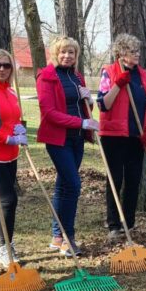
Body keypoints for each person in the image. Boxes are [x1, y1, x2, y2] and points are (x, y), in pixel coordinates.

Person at [36, 36, 97, 256]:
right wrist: (81, 122)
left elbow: (83, 107)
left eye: (71, 52)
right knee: (73, 184)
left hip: (77, 138)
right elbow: (49, 113)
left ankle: (56, 235)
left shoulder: (77, 77)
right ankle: (68, 237)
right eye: (63, 52)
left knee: (63, 185)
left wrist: (89, 100)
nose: (67, 56)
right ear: (55, 53)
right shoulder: (47, 76)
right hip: (57, 139)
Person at [97, 34, 146, 241]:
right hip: (114, 135)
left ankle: (128, 223)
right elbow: (103, 103)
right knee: (115, 179)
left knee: (133, 179)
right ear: (121, 54)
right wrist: (118, 85)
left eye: (138, 51)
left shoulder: (145, 76)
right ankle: (114, 224)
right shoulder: (109, 72)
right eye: (133, 52)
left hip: (136, 135)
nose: (137, 55)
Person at [0, 50, 26, 264]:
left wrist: (18, 130)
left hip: (11, 156)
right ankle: (4, 247)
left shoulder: (10, 92)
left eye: (6, 66)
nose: (1, 69)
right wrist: (8, 138)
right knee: (8, 200)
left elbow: (11, 120)